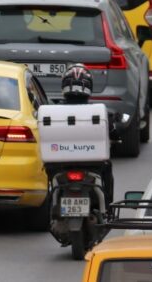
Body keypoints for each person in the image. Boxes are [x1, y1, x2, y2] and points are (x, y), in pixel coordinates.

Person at [57, 65, 115, 201]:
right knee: (108, 166)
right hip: (93, 164)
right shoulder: (99, 111)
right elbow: (113, 131)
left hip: (59, 163)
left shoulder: (52, 110)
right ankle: (108, 204)